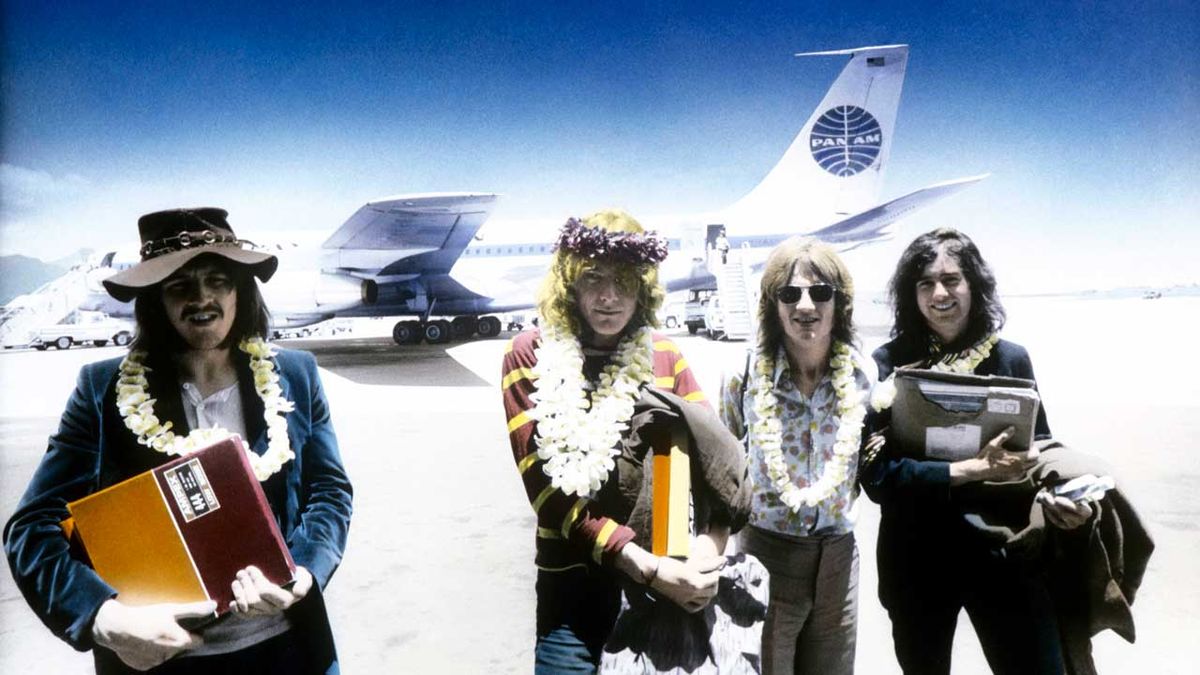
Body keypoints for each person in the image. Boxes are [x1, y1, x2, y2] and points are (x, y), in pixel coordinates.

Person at [3, 208, 353, 674]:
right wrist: (107, 620)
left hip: (287, 649)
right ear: (154, 301)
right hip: (160, 660)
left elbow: (328, 493)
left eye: (218, 280)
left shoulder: (295, 376)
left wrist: (303, 574)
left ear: (241, 290)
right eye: (179, 285)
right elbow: (32, 528)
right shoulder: (103, 391)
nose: (202, 297)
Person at [501, 210, 750, 673]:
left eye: (624, 279)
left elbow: (722, 467)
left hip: (665, 584)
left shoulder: (665, 356)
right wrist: (645, 566)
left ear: (645, 287)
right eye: (593, 277)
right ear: (569, 285)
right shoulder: (529, 355)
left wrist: (705, 556)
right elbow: (547, 492)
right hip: (573, 586)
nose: (609, 296)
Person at [861, 227, 1093, 675]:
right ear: (911, 294)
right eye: (925, 282)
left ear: (975, 285)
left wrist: (1057, 495)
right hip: (916, 560)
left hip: (1003, 555)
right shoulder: (889, 363)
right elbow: (877, 478)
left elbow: (1040, 449)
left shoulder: (1012, 360)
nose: (939, 293)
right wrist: (967, 470)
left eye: (952, 279)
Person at [718, 238, 872, 675]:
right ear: (772, 304)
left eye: (820, 292)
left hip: (839, 565)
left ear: (838, 303)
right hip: (766, 559)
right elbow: (725, 468)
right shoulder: (743, 374)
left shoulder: (863, 376)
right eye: (790, 294)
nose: (806, 305)